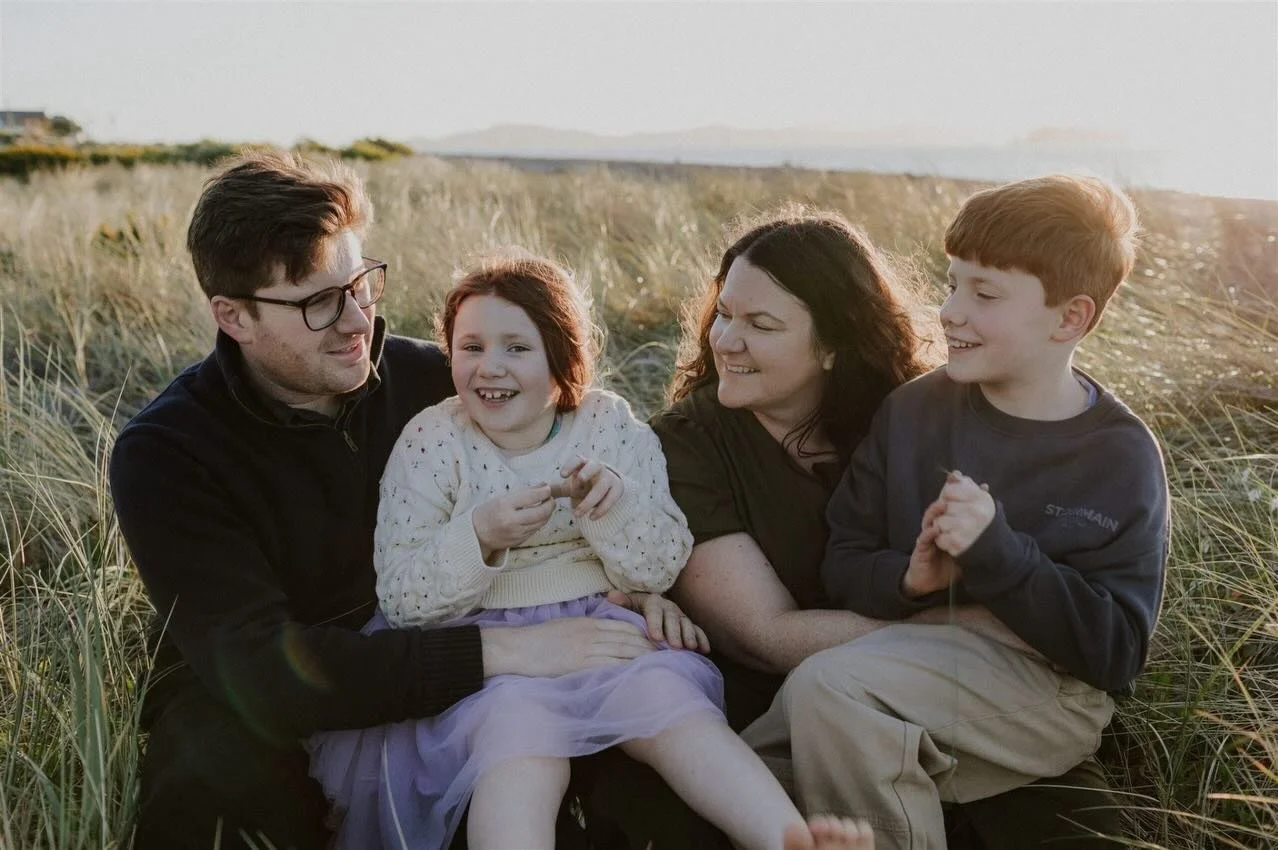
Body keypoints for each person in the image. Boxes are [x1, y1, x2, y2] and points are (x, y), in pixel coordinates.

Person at [109, 150, 710, 850]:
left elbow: (585, 455)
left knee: (647, 799)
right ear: (234, 316)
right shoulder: (168, 451)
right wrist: (507, 650)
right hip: (270, 694)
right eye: (317, 302)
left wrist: (627, 590)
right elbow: (263, 672)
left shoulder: (441, 383)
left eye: (361, 284)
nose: (356, 320)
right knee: (212, 813)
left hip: (464, 643)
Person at [596, 208, 1135, 850]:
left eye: (760, 324)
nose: (726, 340)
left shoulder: (909, 414)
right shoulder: (684, 447)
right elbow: (764, 637)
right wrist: (973, 631)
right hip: (794, 705)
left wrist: (1011, 634)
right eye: (724, 313)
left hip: (955, 704)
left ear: (833, 346)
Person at [306, 253, 875, 850]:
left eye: (516, 348)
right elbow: (402, 599)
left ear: (562, 357)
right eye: (470, 348)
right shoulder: (432, 439)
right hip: (488, 652)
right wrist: (478, 535)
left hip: (603, 623)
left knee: (673, 709)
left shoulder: (608, 425)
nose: (489, 368)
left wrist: (614, 508)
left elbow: (659, 565)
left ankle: (787, 838)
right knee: (521, 740)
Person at [764, 176, 1170, 850]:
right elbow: (845, 558)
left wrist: (999, 552)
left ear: (1069, 318)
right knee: (746, 765)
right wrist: (914, 580)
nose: (950, 311)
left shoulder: (1117, 456)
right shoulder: (914, 411)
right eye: (952, 283)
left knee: (825, 694)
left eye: (984, 294)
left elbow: (1115, 652)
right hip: (909, 657)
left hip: (1050, 695)